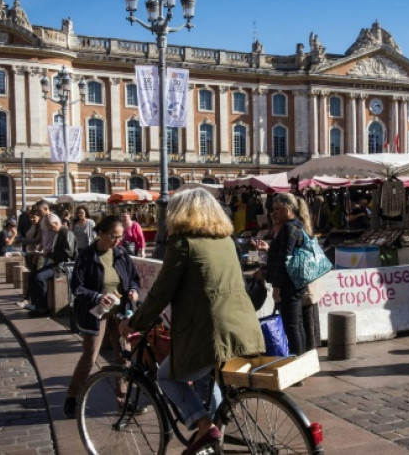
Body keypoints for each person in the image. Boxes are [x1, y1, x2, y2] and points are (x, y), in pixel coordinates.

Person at [119, 188, 264, 454]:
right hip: (243, 326)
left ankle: (206, 427)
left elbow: (161, 292)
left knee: (166, 376)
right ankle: (216, 435)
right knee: (206, 376)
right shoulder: (225, 240)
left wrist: (135, 322)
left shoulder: (182, 243)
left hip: (210, 332)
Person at [63, 215, 141, 419]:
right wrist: (98, 296)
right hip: (96, 312)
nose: (117, 240)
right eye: (113, 236)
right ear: (101, 234)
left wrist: (133, 290)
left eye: (120, 236)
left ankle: (123, 401)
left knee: (124, 356)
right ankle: (72, 397)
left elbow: (134, 278)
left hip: (120, 312)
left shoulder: (122, 253)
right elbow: (77, 287)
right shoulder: (87, 255)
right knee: (90, 357)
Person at [255, 193, 314, 355]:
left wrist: (277, 287)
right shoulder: (296, 226)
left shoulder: (289, 228)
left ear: (287, 210)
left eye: (277, 209)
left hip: (289, 285)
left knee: (292, 327)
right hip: (296, 283)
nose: (274, 212)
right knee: (297, 325)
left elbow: (284, 259)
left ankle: (297, 362)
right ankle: (301, 360)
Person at [27, 214, 76, 317]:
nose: (50, 229)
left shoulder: (67, 233)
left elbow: (68, 254)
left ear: (56, 223)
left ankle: (43, 307)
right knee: (32, 275)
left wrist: (48, 254)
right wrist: (47, 254)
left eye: (50, 226)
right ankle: (36, 305)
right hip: (56, 263)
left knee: (39, 277)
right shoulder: (59, 233)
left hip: (64, 266)